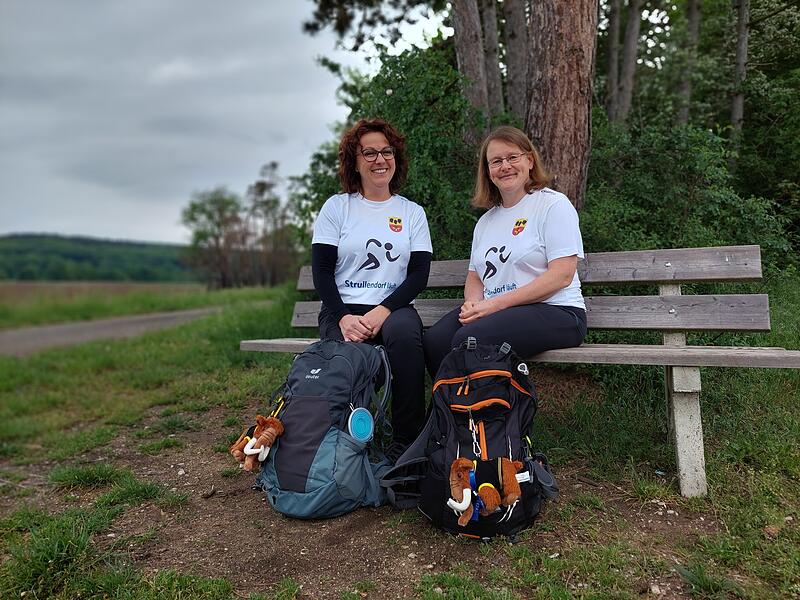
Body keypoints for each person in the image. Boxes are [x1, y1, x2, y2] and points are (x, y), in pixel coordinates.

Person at [423, 125, 587, 377]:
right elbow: (475, 276)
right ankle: (450, 404)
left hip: (558, 312)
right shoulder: (486, 222)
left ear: (529, 160)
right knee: (435, 341)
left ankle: (487, 403)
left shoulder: (553, 205)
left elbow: (562, 275)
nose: (505, 166)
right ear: (488, 171)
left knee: (469, 339)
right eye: (496, 161)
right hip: (499, 311)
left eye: (512, 157)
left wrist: (493, 306)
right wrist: (473, 304)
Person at [312, 118, 432, 457]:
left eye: (386, 151)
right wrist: (343, 317)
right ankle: (343, 447)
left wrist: (384, 310)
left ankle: (406, 447)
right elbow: (322, 271)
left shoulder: (412, 213)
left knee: (407, 338)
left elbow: (419, 274)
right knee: (348, 360)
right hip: (343, 309)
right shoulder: (337, 207)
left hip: (393, 309)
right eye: (369, 153)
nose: (380, 160)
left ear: (395, 157)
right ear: (355, 161)